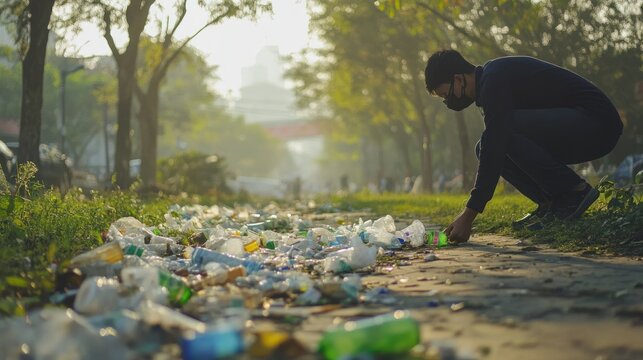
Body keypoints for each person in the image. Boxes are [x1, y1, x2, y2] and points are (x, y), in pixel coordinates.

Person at [424, 50, 623, 243]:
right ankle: (551, 203)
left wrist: (468, 215)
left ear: (458, 79)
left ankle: (574, 192)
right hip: (579, 127)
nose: (449, 102)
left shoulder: (494, 79)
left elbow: (495, 144)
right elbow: (492, 147)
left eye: (446, 95)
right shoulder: (489, 84)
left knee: (498, 135)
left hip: (597, 123)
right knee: (485, 145)